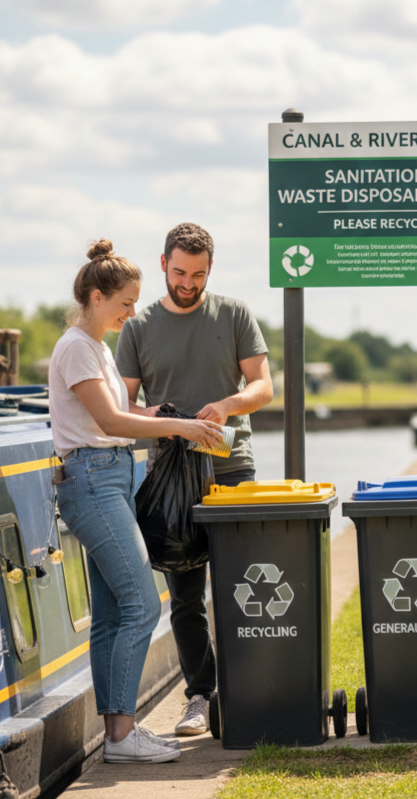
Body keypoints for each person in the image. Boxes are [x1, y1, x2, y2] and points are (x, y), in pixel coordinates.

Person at [49, 239, 222, 763]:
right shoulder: (77, 347)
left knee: (109, 614)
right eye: (125, 302)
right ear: (97, 296)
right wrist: (179, 425)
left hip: (112, 478)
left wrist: (160, 413)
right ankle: (124, 736)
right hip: (94, 481)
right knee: (144, 605)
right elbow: (108, 423)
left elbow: (126, 415)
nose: (132, 312)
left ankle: (117, 735)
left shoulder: (98, 346)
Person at [116, 222, 273, 736]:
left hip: (232, 469)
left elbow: (263, 386)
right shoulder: (137, 328)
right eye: (180, 272)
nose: (188, 283)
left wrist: (228, 405)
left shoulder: (234, 314)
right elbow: (122, 404)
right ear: (163, 264)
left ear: (211, 269)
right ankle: (200, 696)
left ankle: (248, 690)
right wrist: (160, 416)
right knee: (185, 595)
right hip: (170, 479)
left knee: (241, 587)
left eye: (198, 274)